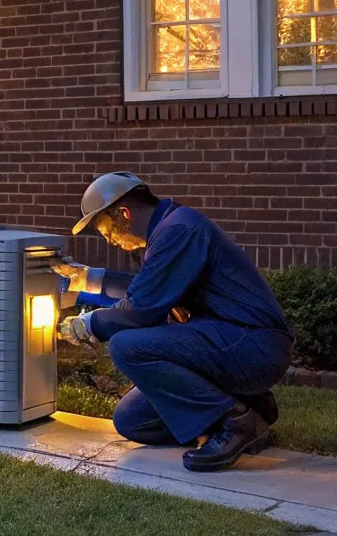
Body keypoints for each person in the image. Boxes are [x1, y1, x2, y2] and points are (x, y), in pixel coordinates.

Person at [53, 172, 292, 472]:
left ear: (123, 214)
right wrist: (87, 278)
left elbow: (142, 310)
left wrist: (89, 323)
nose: (109, 240)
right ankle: (251, 407)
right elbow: (151, 289)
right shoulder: (169, 228)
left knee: (127, 346)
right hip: (228, 340)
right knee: (132, 421)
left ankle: (234, 422)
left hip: (253, 344)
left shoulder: (179, 230)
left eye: (105, 230)